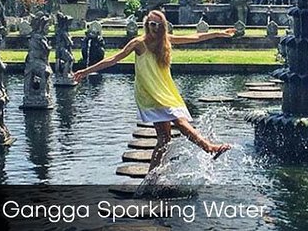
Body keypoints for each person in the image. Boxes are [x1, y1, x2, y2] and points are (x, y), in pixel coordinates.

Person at [73, 9, 233, 171]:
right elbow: (114, 58)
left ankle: (152, 177)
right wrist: (85, 71)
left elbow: (194, 37)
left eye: (159, 25)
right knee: (178, 120)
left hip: (165, 91)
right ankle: (209, 148)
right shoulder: (138, 43)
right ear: (147, 25)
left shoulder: (165, 41)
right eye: (152, 24)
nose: (155, 28)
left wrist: (218, 33)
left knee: (164, 139)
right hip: (149, 93)